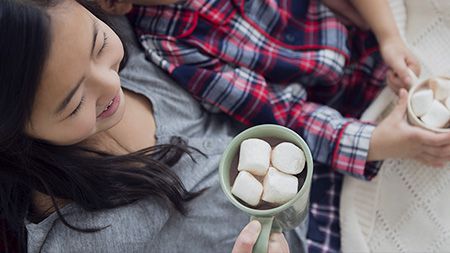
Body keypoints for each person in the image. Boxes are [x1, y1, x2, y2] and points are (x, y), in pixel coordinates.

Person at [94, 0, 450, 252]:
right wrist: (374, 142)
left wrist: (388, 35)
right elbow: (282, 115)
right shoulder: (173, 47)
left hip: (364, 30)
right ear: (116, 4)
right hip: (331, 111)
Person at [0, 0, 297, 252]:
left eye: (100, 45)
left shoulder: (122, 30)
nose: (111, 82)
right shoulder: (80, 241)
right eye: (75, 103)